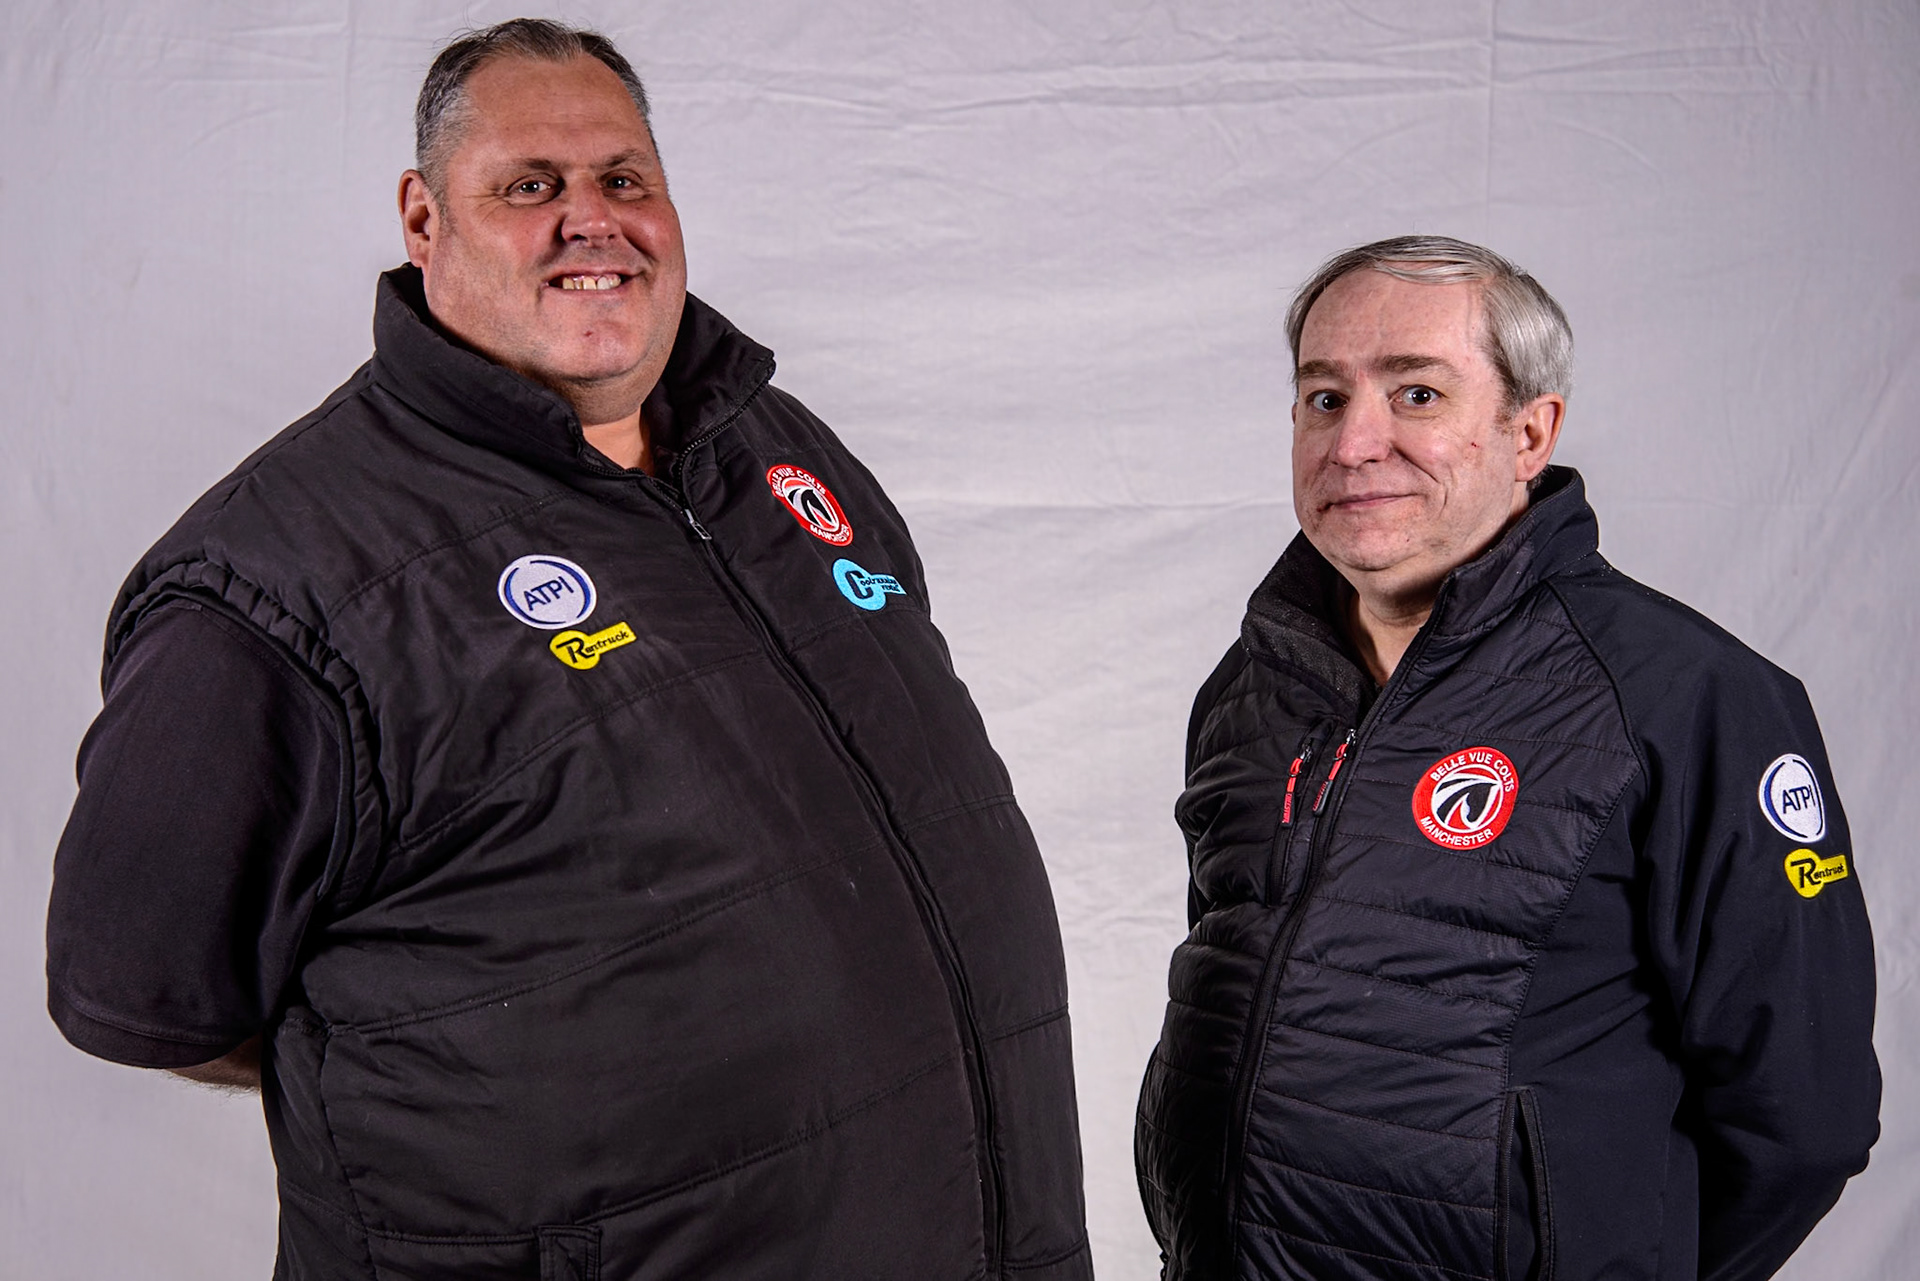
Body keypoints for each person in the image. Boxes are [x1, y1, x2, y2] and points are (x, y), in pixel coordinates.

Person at [45, 19, 1091, 1280]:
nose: (589, 220)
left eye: (623, 179)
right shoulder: (279, 583)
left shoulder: (770, 446)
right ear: (424, 222)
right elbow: (150, 994)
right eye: (529, 186)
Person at [1134, 235, 1879, 1281]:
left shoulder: (1684, 697)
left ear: (1531, 432)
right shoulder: (1254, 685)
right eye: (1324, 399)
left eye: (1419, 396)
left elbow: (1805, 1116)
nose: (1355, 445)